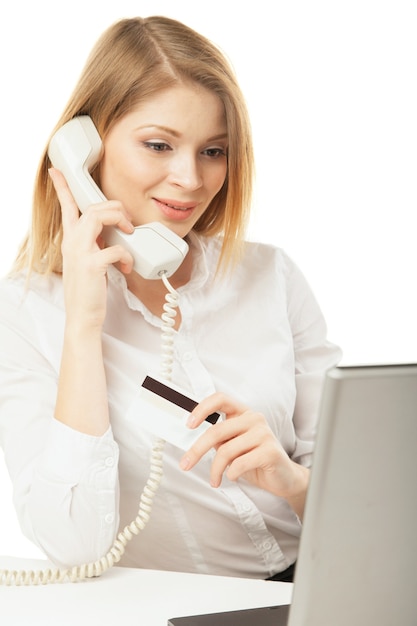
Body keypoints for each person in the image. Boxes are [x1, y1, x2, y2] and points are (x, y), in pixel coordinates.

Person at [0, 16, 341, 583]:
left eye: (214, 151)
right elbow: (74, 546)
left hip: (324, 585)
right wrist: (82, 326)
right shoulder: (25, 311)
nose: (189, 178)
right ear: (84, 147)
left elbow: (372, 504)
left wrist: (291, 480)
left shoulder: (271, 275)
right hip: (173, 610)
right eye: (158, 145)